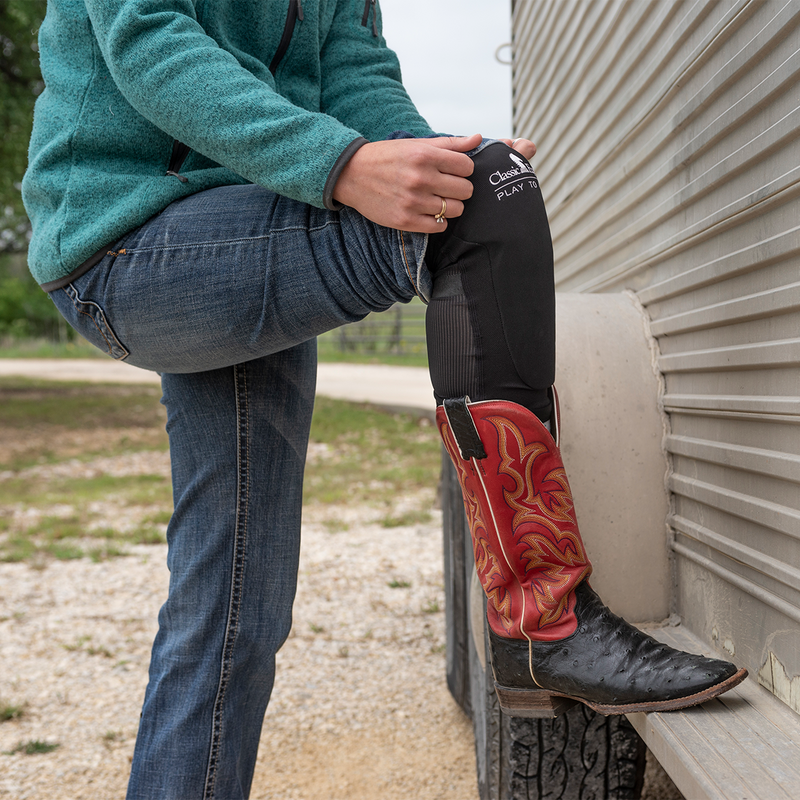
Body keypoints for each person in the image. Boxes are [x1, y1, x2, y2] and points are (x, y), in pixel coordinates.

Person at [23, 1, 746, 798]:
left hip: (254, 210)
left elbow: (353, 64)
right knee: (490, 202)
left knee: (235, 610)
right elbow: (148, 40)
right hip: (127, 236)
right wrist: (341, 164)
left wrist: (436, 160)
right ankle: (545, 619)